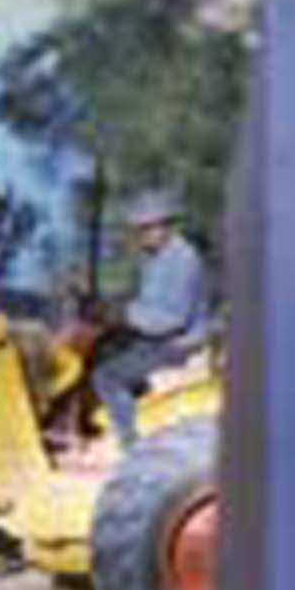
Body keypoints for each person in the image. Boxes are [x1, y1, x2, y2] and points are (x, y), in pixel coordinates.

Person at [85, 188, 211, 447]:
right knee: (103, 349)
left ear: (166, 226)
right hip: (160, 338)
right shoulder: (157, 257)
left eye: (146, 229)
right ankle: (105, 424)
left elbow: (171, 319)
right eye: (138, 229)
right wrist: (115, 308)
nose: (141, 236)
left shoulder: (182, 259)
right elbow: (148, 304)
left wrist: (122, 315)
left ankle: (129, 443)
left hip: (178, 345)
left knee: (106, 376)